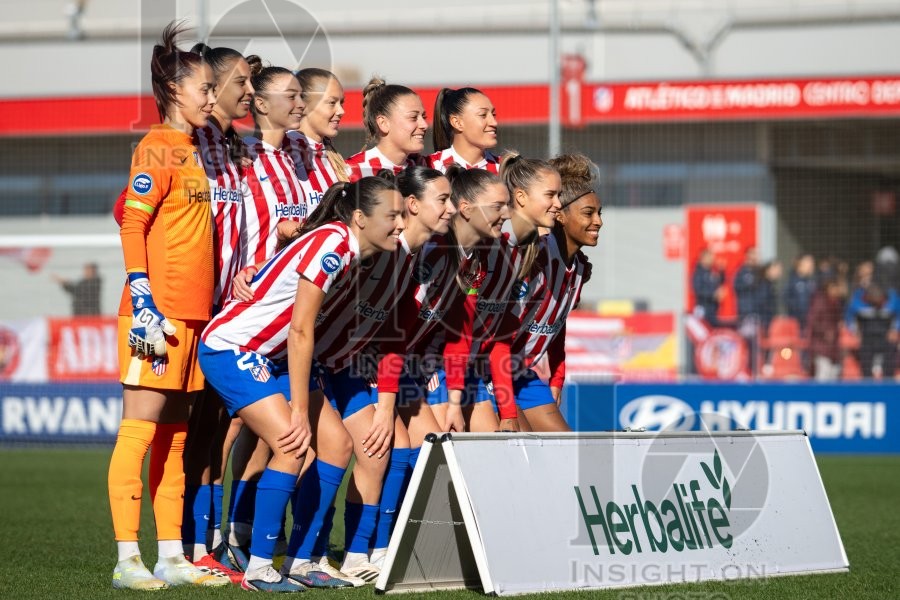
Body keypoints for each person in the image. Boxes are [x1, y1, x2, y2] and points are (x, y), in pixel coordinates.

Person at [199, 176, 404, 592]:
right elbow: (300, 331)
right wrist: (297, 408)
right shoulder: (334, 245)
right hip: (232, 348)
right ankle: (258, 569)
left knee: (338, 444)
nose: (400, 223)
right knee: (293, 444)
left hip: (267, 356)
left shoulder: (349, 249)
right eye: (393, 215)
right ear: (361, 218)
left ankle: (299, 559)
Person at [288, 166, 455, 583]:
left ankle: (359, 554)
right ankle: (299, 551)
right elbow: (306, 306)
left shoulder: (409, 259)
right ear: (411, 206)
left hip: (347, 366)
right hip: (310, 363)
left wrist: (384, 408)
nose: (452, 209)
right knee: (323, 449)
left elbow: (392, 339)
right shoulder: (374, 249)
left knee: (377, 448)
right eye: (443, 200)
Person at [107, 21, 229, 590]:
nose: (211, 97)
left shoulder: (194, 150)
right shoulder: (157, 145)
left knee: (176, 440)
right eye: (204, 88)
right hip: (155, 314)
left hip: (193, 315)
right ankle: (127, 558)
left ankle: (171, 556)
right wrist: (142, 295)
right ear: (176, 90)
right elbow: (133, 219)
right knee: (139, 430)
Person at [175, 42, 253, 584]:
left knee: (214, 430)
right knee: (189, 431)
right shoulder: (183, 146)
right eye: (240, 81)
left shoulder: (237, 149)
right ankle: (181, 541)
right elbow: (130, 212)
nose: (248, 90)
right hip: (194, 312)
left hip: (231, 313)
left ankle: (204, 543)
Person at [439, 153, 561, 434]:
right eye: (550, 195)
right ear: (520, 197)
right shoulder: (485, 246)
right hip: (438, 367)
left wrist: (508, 414)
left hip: (472, 371)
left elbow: (500, 340)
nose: (558, 204)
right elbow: (459, 331)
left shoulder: (523, 253)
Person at [494, 153, 600, 432]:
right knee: (527, 448)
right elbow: (499, 338)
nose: (599, 222)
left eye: (599, 213)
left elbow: (557, 327)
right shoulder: (535, 257)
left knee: (564, 451)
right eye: (589, 213)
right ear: (562, 216)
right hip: (492, 373)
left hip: (522, 374)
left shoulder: (579, 269)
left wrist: (556, 380)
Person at [284, 68, 350, 211]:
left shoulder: (333, 157)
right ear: (303, 105)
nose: (341, 111)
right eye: (332, 103)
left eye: (341, 103)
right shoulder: (285, 151)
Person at [345, 77, 426, 181]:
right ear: (383, 123)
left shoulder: (423, 168)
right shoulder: (351, 171)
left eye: (424, 117)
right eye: (413, 117)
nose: (424, 125)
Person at [428, 87, 500, 173]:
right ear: (457, 122)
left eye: (493, 114)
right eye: (483, 115)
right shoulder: (429, 166)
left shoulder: (507, 169)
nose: (494, 122)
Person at [846, 283, 899, 379]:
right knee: (866, 367)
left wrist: (895, 329)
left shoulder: (892, 300)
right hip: (867, 339)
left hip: (886, 339)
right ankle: (867, 386)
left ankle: (888, 385)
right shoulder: (858, 302)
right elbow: (849, 318)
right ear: (869, 297)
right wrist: (855, 331)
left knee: (889, 363)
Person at [807, 278, 844, 381]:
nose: (837, 291)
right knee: (823, 375)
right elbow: (812, 322)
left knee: (834, 374)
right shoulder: (819, 302)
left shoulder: (836, 303)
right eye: (835, 288)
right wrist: (825, 331)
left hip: (833, 348)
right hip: (821, 347)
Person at [691, 248, 725, 326]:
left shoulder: (712, 272)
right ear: (703, 258)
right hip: (703, 309)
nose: (712, 259)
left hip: (713, 309)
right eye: (709, 257)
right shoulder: (698, 273)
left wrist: (722, 272)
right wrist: (713, 294)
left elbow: (719, 283)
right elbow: (698, 290)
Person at [784, 253, 817, 329]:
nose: (811, 265)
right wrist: (798, 310)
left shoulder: (812, 282)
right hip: (796, 323)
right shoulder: (791, 281)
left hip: (810, 323)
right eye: (808, 262)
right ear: (799, 264)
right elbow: (785, 298)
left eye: (812, 263)